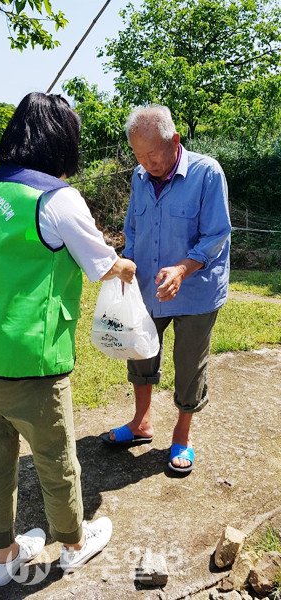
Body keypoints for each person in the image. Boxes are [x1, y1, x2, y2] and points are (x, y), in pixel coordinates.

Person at [0, 92, 136, 586]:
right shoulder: (57, 198)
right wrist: (124, 263)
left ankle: (2, 555)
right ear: (61, 142)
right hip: (27, 361)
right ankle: (74, 543)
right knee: (55, 458)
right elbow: (102, 264)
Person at [100, 104, 231, 474]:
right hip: (147, 288)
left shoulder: (207, 174)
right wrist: (125, 264)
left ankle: (183, 434)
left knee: (190, 364)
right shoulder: (140, 177)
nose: (146, 162)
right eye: (138, 155)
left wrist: (182, 269)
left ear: (175, 140)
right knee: (140, 352)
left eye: (152, 153)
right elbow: (135, 230)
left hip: (196, 292)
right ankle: (142, 423)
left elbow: (216, 235)